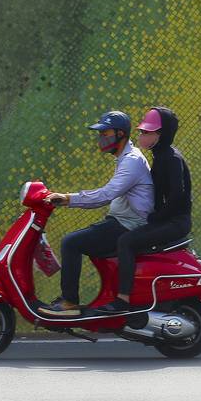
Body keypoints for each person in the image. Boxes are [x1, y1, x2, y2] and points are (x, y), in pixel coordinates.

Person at [43, 110, 154, 317]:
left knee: (71, 242)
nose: (101, 138)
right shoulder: (125, 158)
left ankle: (69, 302)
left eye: (105, 133)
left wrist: (67, 198)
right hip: (121, 221)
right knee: (83, 238)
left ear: (121, 134)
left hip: (129, 225)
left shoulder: (131, 161)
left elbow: (105, 195)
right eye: (100, 134)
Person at [91, 106, 193, 315]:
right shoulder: (160, 156)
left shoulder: (172, 158)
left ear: (161, 134)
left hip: (176, 223)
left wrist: (157, 217)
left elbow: (177, 196)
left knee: (126, 241)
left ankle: (123, 300)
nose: (142, 135)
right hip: (166, 220)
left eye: (148, 132)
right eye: (142, 131)